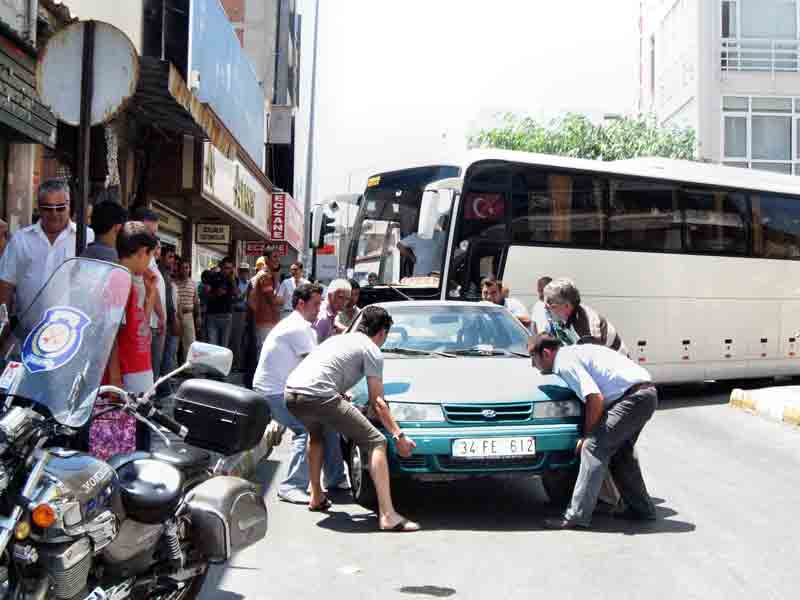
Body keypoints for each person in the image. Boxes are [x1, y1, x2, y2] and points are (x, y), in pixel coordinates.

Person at [285, 305, 420, 531]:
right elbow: (378, 403)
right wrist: (399, 435)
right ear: (382, 333)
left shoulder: (339, 340)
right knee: (377, 441)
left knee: (316, 434)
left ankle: (316, 496)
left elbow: (322, 370)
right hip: (319, 396)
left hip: (291, 393)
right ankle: (388, 515)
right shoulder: (372, 350)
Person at [530, 334, 658, 530]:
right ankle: (641, 509)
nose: (533, 365)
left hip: (634, 398)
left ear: (546, 353)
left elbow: (594, 398)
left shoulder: (564, 363)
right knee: (621, 452)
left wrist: (587, 435)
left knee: (592, 447)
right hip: (645, 394)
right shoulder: (572, 353)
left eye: (533, 358)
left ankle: (576, 516)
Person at [253, 283, 348, 503]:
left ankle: (335, 478)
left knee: (328, 421)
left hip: (281, 390)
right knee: (307, 430)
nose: (319, 308)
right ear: (301, 304)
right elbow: (314, 369)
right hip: (273, 394)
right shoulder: (300, 328)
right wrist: (337, 390)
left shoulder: (300, 324)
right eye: (315, 304)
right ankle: (291, 486)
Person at [90, 222, 159, 459]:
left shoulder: (131, 280)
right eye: (150, 255)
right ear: (141, 252)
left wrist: (150, 296)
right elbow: (110, 333)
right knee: (133, 445)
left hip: (138, 372)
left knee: (139, 440)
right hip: (128, 376)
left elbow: (139, 326)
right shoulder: (118, 280)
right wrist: (116, 378)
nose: (150, 262)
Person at [0, 179, 94, 316]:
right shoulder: (21, 240)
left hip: (72, 331)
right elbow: (5, 284)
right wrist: (3, 323)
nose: (54, 214)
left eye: (60, 208)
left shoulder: (86, 237)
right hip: (26, 332)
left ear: (69, 206)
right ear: (38, 207)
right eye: (48, 208)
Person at [542, 278, 627, 355]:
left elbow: (593, 361)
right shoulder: (559, 317)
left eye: (551, 305)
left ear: (567, 306)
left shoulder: (586, 326)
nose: (546, 308)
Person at [131, 208, 167, 376]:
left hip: (149, 322)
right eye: (149, 232)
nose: (152, 237)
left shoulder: (149, 255)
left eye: (154, 233)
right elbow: (150, 288)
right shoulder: (136, 254)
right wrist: (160, 315)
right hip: (140, 323)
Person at [204, 256, 236, 347]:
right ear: (221, 267)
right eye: (226, 268)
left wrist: (233, 280)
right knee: (212, 345)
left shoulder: (232, 279)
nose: (228, 271)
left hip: (226, 315)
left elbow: (237, 294)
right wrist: (216, 294)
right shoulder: (213, 277)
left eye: (230, 268)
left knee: (224, 346)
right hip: (213, 315)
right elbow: (206, 295)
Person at [248, 267, 282, 350]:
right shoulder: (264, 278)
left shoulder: (264, 279)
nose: (276, 273)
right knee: (264, 348)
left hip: (266, 320)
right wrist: (282, 300)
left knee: (264, 347)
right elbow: (272, 300)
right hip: (265, 321)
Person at [159, 247, 180, 381]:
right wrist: (173, 320)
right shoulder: (162, 275)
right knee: (166, 355)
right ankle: (164, 388)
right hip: (165, 320)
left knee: (169, 354)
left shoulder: (167, 275)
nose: (172, 261)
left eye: (173, 258)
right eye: (170, 257)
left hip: (167, 319)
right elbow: (167, 301)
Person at [174, 258, 199, 363]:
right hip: (176, 316)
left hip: (189, 316)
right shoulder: (174, 283)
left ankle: (188, 368)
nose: (185, 270)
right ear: (179, 269)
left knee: (189, 343)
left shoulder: (193, 284)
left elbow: (196, 301)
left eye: (187, 268)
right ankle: (173, 368)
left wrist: (198, 316)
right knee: (174, 344)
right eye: (183, 268)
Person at [314, 278, 351, 343]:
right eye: (341, 297)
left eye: (347, 299)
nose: (344, 302)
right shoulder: (323, 318)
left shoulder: (331, 313)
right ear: (330, 296)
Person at [231, 262, 252, 369]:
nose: (244, 273)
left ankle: (242, 363)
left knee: (245, 340)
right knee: (236, 340)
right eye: (242, 271)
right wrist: (245, 293)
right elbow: (237, 297)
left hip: (247, 313)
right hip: (236, 313)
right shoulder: (235, 282)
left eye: (246, 271)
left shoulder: (250, 283)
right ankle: (236, 364)